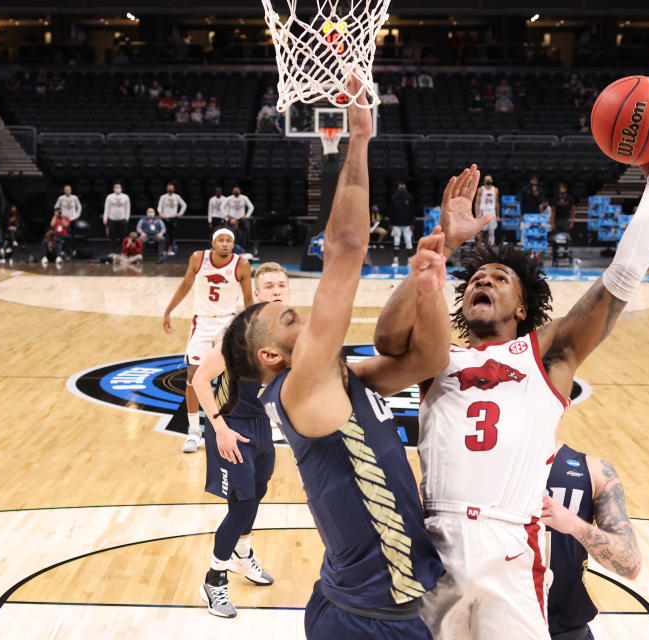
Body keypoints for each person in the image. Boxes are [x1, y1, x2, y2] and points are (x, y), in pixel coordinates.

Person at [373, 118, 649, 639]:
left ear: (524, 306)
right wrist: (441, 249)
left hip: (511, 542)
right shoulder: (435, 356)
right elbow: (387, 339)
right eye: (475, 278)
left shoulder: (549, 354)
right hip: (435, 541)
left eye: (499, 278)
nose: (483, 281)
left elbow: (623, 277)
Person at [212, 82, 446, 638]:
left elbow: (426, 358)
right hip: (370, 617)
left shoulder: (342, 380)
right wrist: (359, 139)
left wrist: (432, 273)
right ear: (272, 355)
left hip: (373, 603)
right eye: (291, 320)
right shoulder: (301, 389)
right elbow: (345, 248)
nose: (307, 318)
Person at [189, 262, 291, 618]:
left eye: (282, 284)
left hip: (262, 427)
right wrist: (218, 429)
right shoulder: (238, 332)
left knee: (257, 495)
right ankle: (214, 579)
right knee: (243, 504)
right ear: (258, 293)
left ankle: (242, 557)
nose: (277, 290)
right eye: (269, 286)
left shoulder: (290, 331)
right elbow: (200, 380)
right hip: (231, 427)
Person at [162, 229, 253, 453]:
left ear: (233, 244)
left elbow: (249, 297)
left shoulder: (241, 264)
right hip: (201, 323)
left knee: (233, 376)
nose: (224, 244)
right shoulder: (197, 258)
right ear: (213, 242)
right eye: (220, 240)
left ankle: (231, 425)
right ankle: (194, 430)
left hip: (227, 324)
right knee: (193, 376)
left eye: (229, 241)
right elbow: (185, 285)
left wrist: (254, 328)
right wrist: (168, 311)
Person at [541, 442, 642, 640]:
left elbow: (630, 565)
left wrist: (575, 525)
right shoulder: (484, 466)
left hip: (565, 632)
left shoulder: (594, 471)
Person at [389, 182, 416, 266]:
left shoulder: (409, 198)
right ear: (398, 188)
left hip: (407, 225)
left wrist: (412, 224)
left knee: (408, 242)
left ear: (405, 188)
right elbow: (391, 212)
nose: (401, 188)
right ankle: (395, 261)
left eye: (403, 187)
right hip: (396, 225)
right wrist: (391, 224)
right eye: (400, 187)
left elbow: (412, 212)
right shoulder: (394, 198)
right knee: (396, 242)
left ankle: (410, 261)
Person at [157, 182, 187, 256]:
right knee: (164, 234)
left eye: (171, 188)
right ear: (167, 189)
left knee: (171, 235)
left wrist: (180, 213)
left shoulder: (177, 197)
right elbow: (159, 207)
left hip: (173, 218)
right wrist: (160, 213)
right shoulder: (163, 197)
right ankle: (163, 249)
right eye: (169, 188)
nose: (170, 189)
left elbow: (184, 205)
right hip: (165, 218)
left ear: (173, 189)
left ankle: (170, 249)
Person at [103, 182, 131, 253]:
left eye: (119, 187)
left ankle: (123, 251)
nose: (117, 189)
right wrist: (105, 218)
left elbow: (128, 208)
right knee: (112, 237)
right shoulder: (109, 197)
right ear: (113, 189)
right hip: (112, 219)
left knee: (123, 237)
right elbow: (106, 208)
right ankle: (112, 252)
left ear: (121, 189)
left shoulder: (126, 197)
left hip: (122, 219)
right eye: (116, 187)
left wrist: (126, 218)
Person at [473, 175, 499, 245]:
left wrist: (497, 215)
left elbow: (497, 203)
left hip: (492, 212)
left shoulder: (495, 190)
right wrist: (477, 215)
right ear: (484, 181)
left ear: (492, 181)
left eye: (489, 179)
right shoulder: (481, 189)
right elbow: (477, 203)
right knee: (481, 232)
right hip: (483, 211)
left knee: (491, 232)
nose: (488, 181)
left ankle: (491, 249)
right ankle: (478, 249)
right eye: (486, 179)